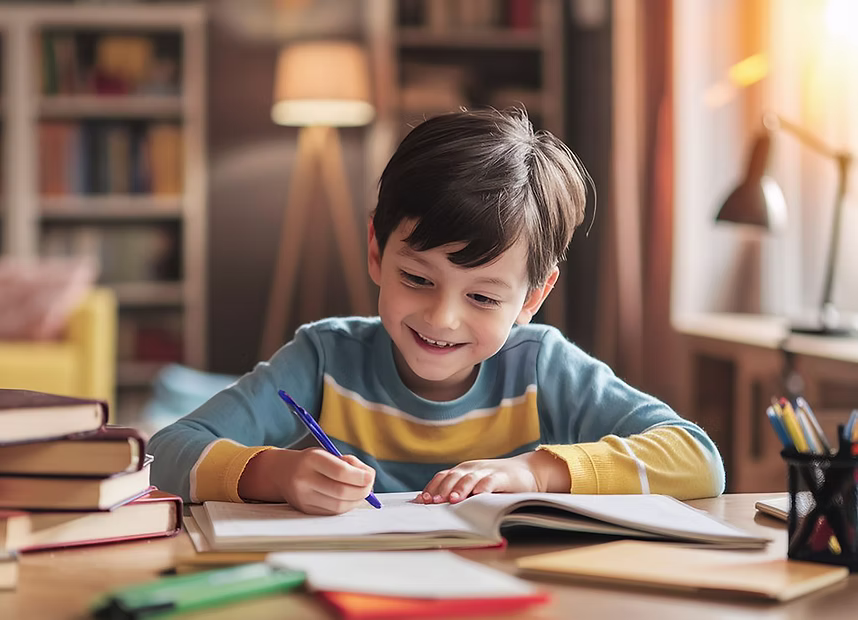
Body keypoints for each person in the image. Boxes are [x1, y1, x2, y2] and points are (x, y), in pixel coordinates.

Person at [149, 108, 725, 515]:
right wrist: (274, 474)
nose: (442, 318)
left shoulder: (542, 367)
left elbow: (698, 458)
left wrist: (534, 472)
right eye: (418, 279)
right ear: (376, 251)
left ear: (532, 299)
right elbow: (165, 451)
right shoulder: (325, 358)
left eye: (482, 296)